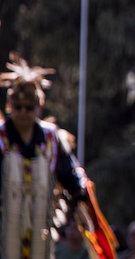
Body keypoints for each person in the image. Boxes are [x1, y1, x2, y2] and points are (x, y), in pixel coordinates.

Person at [0, 53, 89, 259]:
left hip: (40, 238)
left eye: (29, 107)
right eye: (17, 106)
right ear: (8, 105)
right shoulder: (1, 138)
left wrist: (83, 194)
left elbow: (73, 178)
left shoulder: (53, 139)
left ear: (39, 106)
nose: (23, 111)